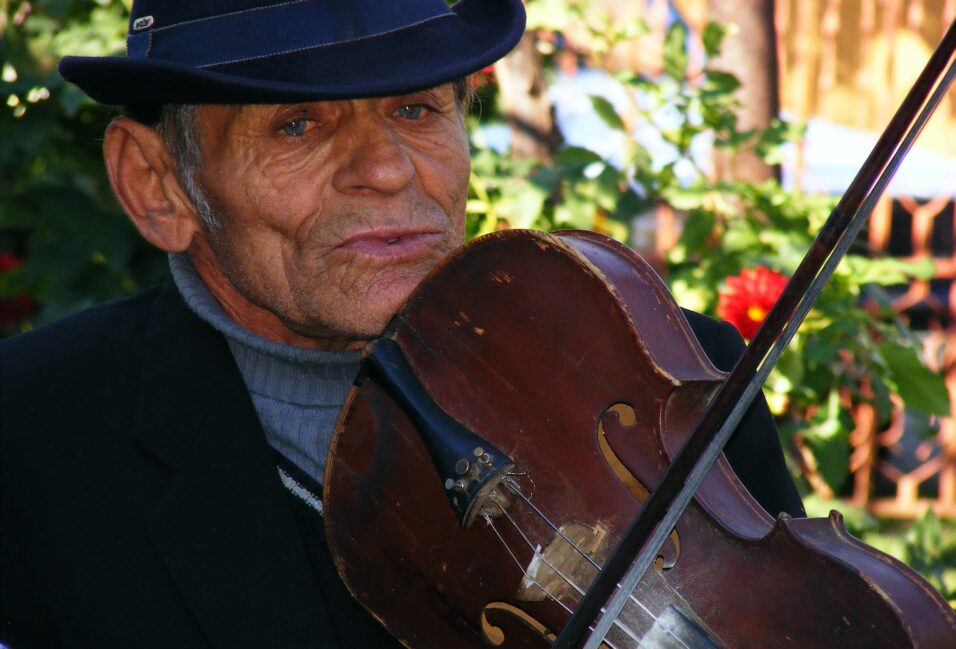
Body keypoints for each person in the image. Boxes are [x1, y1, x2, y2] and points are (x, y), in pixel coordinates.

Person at [0, 1, 804, 647]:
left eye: (417, 109)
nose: (386, 169)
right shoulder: (30, 434)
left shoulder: (670, 369)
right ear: (156, 185)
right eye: (296, 126)